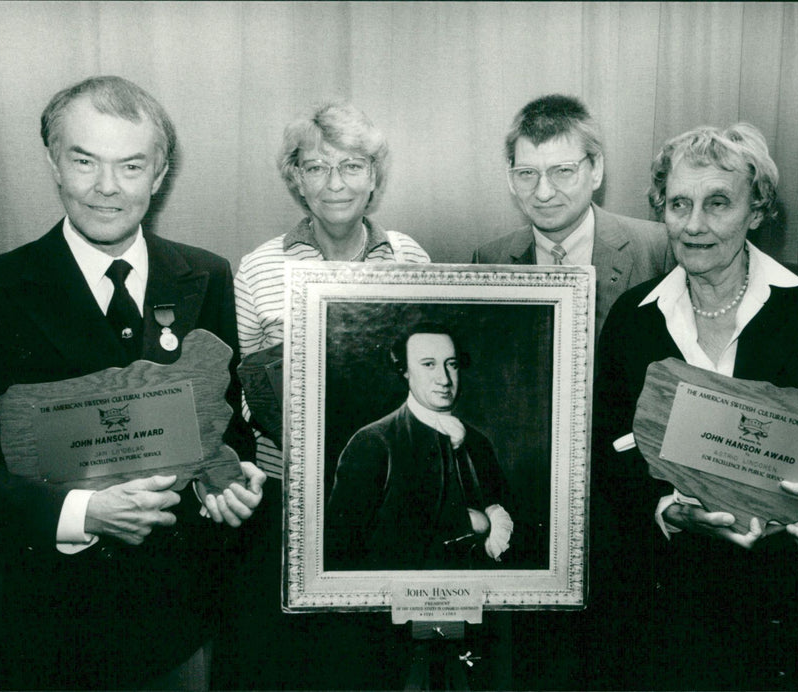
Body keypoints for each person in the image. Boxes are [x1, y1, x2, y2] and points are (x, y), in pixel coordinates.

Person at [0, 75, 266, 691]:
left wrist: (229, 479)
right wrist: (83, 513)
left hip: (183, 626)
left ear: (159, 175)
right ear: (54, 163)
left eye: (131, 165)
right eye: (84, 161)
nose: (107, 187)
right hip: (51, 630)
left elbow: (223, 422)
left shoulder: (205, 276)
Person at [590, 123, 798, 690]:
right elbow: (607, 448)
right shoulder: (633, 318)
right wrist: (666, 509)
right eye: (679, 204)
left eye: (718, 203)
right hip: (677, 611)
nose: (694, 224)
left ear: (758, 210)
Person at [234, 100, 430, 481]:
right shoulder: (257, 268)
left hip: (389, 476)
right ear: (297, 179)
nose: (335, 184)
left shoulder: (410, 258)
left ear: (373, 177)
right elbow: (243, 389)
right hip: (286, 479)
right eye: (316, 168)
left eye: (352, 166)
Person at [472, 94, 672, 341]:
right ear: (510, 178)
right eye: (527, 173)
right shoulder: (488, 261)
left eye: (563, 171)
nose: (543, 193)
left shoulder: (659, 249)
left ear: (596, 169)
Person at [325, 322, 514, 570]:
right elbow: (341, 547)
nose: (444, 379)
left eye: (451, 364)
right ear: (405, 370)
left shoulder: (478, 443)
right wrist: (468, 523)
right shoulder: (373, 442)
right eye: (428, 364)